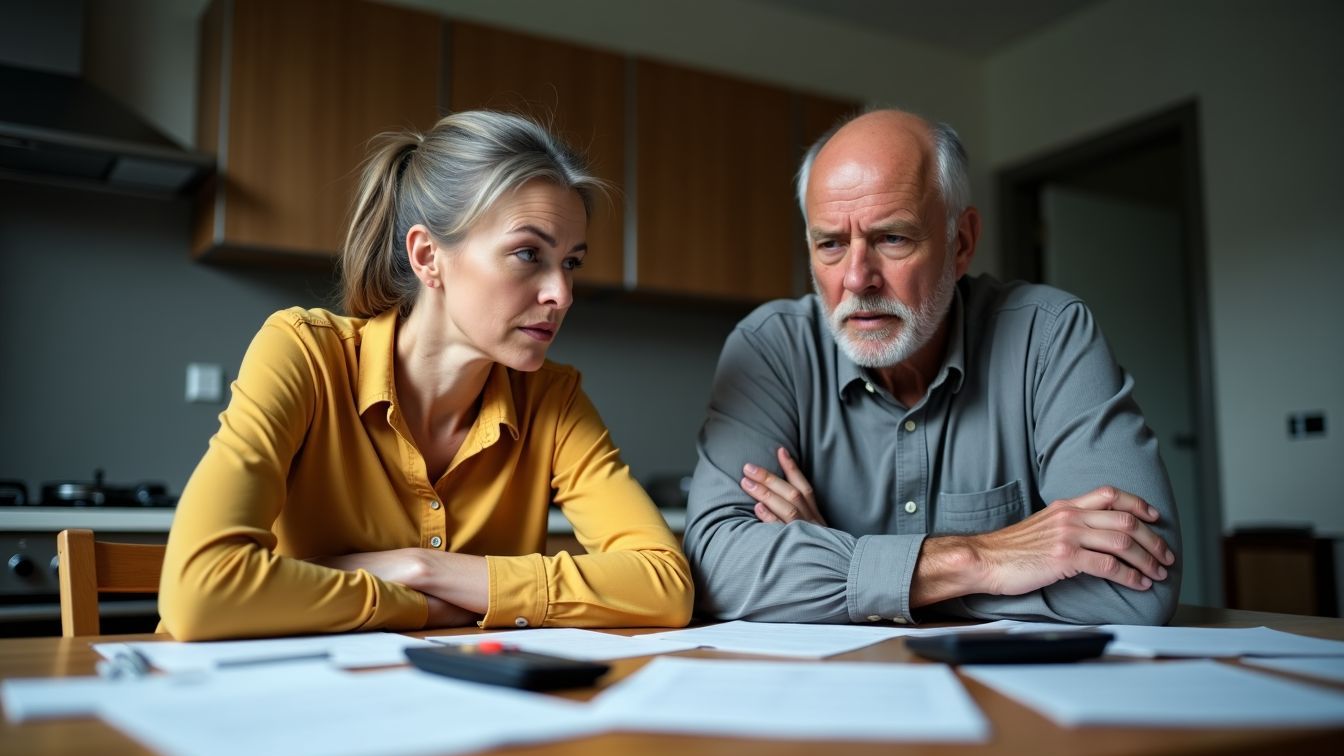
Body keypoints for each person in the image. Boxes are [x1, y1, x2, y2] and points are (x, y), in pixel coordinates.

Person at [159, 111, 692, 640]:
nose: (562, 294)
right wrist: (418, 606)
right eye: (528, 253)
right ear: (427, 256)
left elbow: (665, 585)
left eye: (571, 262)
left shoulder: (553, 399)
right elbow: (200, 590)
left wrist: (422, 569)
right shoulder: (304, 352)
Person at [684, 109, 1180, 626]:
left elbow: (1136, 588)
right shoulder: (771, 348)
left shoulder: (1050, 335)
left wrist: (834, 566)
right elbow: (713, 567)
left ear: (960, 242)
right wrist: (979, 560)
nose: (857, 279)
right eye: (831, 243)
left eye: (893, 238)